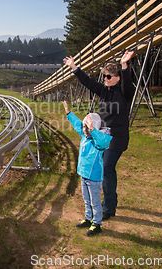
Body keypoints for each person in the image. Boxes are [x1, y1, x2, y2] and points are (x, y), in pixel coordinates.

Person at [63, 50, 135, 220]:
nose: (105, 79)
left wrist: (124, 65)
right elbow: (88, 82)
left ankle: (108, 208)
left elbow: (128, 86)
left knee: (107, 169)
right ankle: (111, 201)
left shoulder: (124, 93)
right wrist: (74, 67)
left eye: (109, 76)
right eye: (104, 76)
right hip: (101, 137)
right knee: (106, 170)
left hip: (116, 138)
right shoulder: (103, 91)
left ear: (118, 77)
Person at [63, 101, 112, 236]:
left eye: (86, 127)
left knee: (95, 201)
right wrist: (69, 113)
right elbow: (77, 124)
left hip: (94, 177)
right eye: (84, 127)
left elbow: (102, 141)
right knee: (86, 199)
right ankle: (88, 218)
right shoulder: (84, 135)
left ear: (93, 128)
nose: (83, 129)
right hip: (83, 175)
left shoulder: (99, 141)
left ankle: (97, 224)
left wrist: (92, 130)